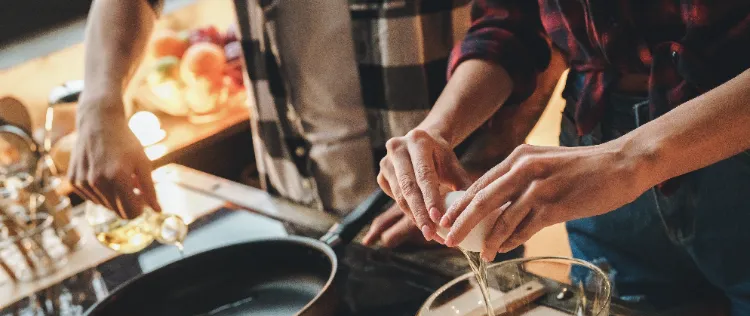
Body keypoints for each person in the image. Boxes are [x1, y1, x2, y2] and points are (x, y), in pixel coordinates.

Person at [378, 1, 750, 316]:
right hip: (597, 141)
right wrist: (437, 129)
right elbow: (512, 19)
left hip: (730, 130)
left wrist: (628, 159)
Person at [69, 0, 558, 250]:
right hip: (294, 212)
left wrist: (461, 187)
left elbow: (526, 30)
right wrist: (99, 101)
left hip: (451, 211)